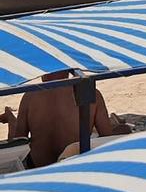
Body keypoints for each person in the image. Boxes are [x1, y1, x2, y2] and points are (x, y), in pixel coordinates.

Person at [1, 71, 131, 168]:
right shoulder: (91, 94)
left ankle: (10, 118)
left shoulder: (29, 96)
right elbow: (106, 140)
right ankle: (11, 118)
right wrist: (121, 129)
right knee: (124, 130)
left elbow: (19, 142)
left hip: (37, 167)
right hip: (72, 165)